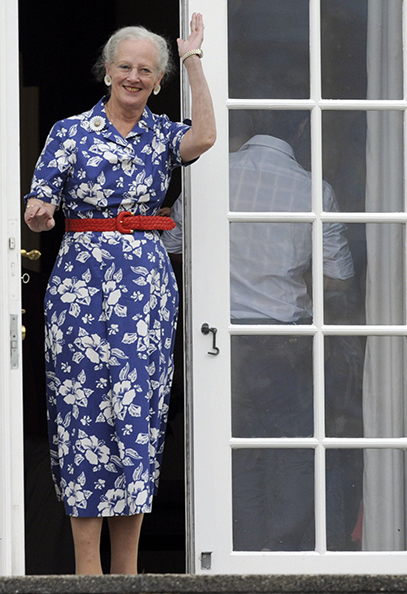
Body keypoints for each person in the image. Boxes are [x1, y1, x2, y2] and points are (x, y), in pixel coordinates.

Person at [24, 15, 215, 575]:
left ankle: (128, 575)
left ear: (158, 81)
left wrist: (192, 61)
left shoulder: (162, 135)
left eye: (146, 70)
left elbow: (204, 135)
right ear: (107, 72)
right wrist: (40, 213)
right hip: (80, 289)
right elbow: (39, 206)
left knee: (138, 417)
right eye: (124, 66)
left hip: (145, 289)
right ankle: (89, 571)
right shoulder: (69, 132)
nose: (133, 76)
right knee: (81, 419)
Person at [161, 109, 360, 551]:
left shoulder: (210, 181)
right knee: (291, 452)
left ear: (245, 126)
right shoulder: (313, 189)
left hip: (220, 339)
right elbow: (341, 274)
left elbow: (170, 246)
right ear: (302, 129)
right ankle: (280, 555)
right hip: (284, 341)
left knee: (237, 456)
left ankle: (241, 550)